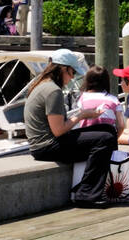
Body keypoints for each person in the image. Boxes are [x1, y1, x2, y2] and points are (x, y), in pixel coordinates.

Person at [24, 49, 117, 207]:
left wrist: (83, 115)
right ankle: (86, 194)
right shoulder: (53, 91)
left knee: (108, 130)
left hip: (46, 144)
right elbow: (58, 130)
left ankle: (94, 187)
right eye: (72, 72)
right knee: (105, 139)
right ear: (63, 69)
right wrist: (82, 116)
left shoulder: (42, 84)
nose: (73, 77)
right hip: (46, 147)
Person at [76, 66, 125, 133]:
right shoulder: (114, 100)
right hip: (108, 138)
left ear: (87, 81)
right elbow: (121, 126)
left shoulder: (82, 98)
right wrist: (115, 139)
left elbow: (79, 119)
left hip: (87, 138)